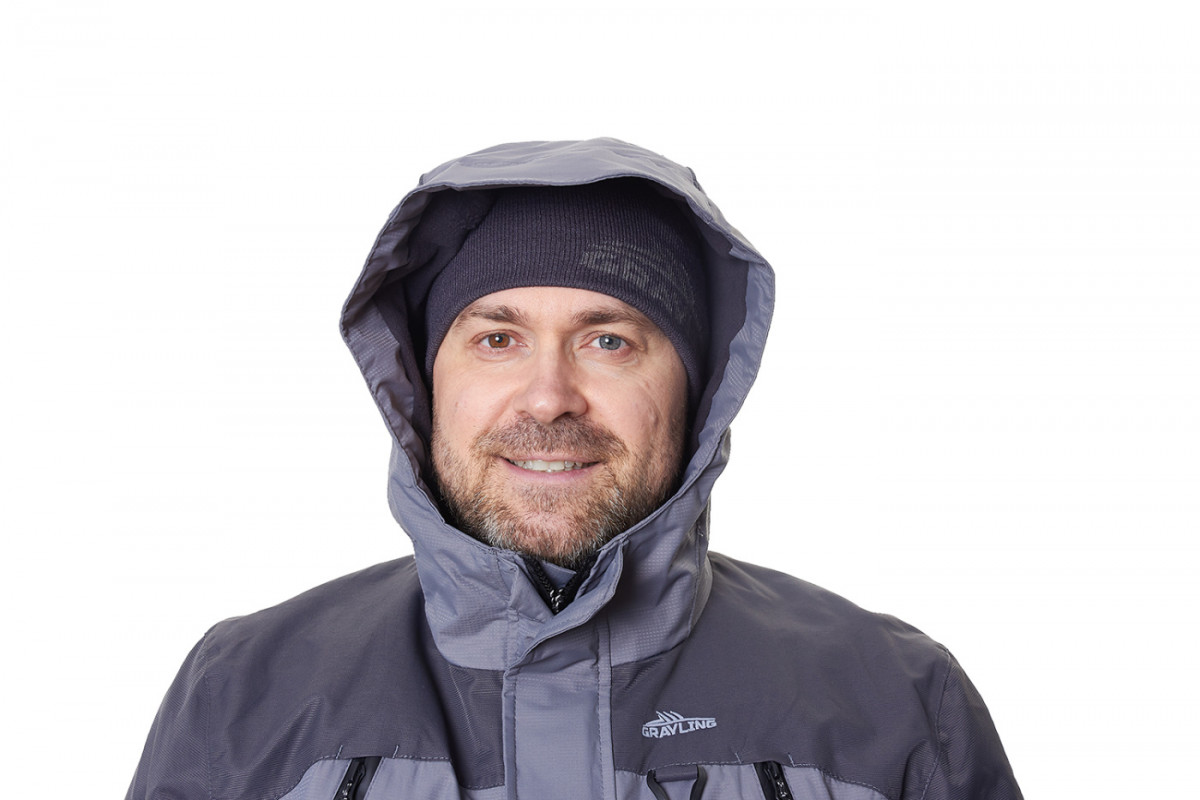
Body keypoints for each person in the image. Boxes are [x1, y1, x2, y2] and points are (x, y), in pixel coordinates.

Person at [127, 138, 1023, 800]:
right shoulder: (244, 693)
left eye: (608, 340)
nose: (549, 398)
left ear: (697, 389)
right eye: (497, 339)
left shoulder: (894, 700)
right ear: (426, 386)